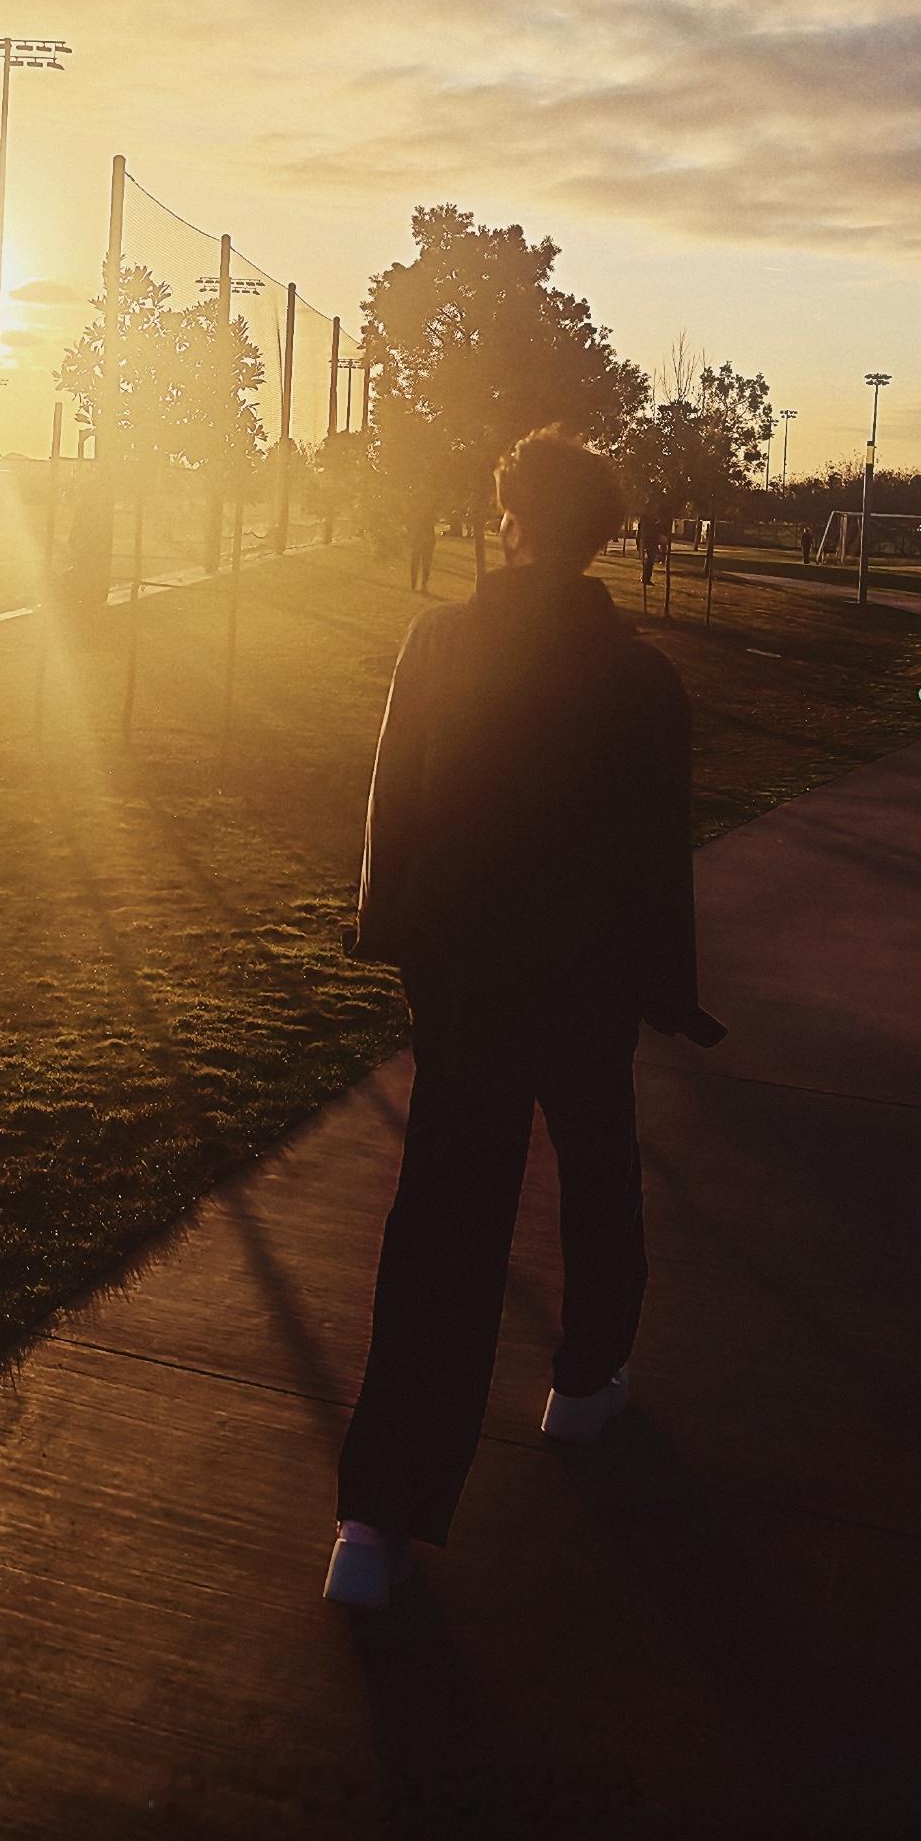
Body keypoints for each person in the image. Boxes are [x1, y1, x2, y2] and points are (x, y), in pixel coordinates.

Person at [326, 427, 726, 1612]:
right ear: (601, 534)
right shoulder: (640, 677)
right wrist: (666, 986)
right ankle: (584, 1380)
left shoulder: (438, 643)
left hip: (466, 974)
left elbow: (393, 802)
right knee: (599, 1170)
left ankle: (377, 1521)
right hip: (586, 979)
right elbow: (660, 856)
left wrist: (389, 936)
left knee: (444, 1224)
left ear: (505, 517)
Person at [407, 494, 438, 595]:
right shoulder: (427, 512)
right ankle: (420, 584)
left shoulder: (418, 511)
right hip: (425, 539)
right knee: (423, 562)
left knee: (419, 562)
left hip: (422, 539)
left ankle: (416, 584)